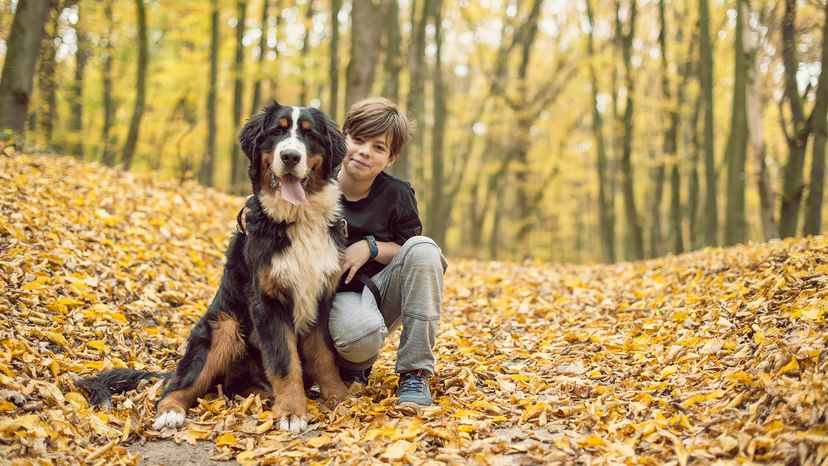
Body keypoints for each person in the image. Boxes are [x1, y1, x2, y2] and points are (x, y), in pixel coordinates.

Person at [243, 97, 447, 408]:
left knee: (425, 250)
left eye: (379, 147)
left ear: (391, 158)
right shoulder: (314, 176)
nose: (365, 151)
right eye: (359, 140)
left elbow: (408, 248)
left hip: (379, 292)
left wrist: (371, 247)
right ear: (344, 138)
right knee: (356, 336)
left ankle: (415, 372)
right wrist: (244, 212)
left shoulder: (397, 194)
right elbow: (272, 197)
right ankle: (353, 368)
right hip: (336, 301)